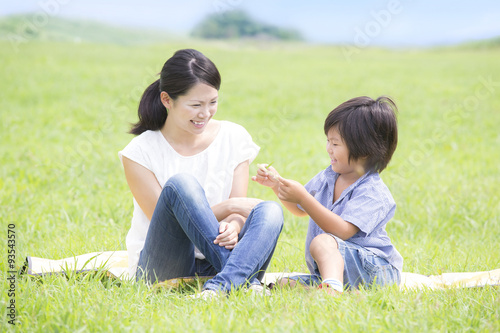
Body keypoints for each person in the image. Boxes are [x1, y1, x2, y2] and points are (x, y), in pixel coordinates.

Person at [119, 49, 283, 297]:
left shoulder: (233, 137)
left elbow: (238, 213)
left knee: (271, 211)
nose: (205, 113)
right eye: (195, 105)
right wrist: (227, 208)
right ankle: (245, 282)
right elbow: (167, 224)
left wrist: (233, 225)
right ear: (167, 100)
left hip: (216, 259)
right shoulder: (140, 152)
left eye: (212, 102)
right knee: (181, 185)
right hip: (165, 267)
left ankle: (221, 286)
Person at [253, 96, 403, 295]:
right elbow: (300, 209)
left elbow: (342, 231)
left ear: (365, 151)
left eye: (335, 143)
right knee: (283, 283)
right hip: (342, 270)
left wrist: (303, 198)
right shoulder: (329, 176)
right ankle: (334, 286)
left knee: (323, 241)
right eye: (328, 141)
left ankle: (331, 290)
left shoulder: (373, 191)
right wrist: (277, 185)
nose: (328, 149)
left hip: (376, 270)